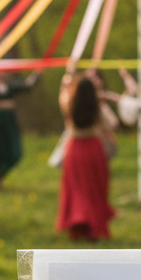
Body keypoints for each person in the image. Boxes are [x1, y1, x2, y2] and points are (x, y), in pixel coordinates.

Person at [55, 76, 115, 241]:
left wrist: (66, 80)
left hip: (74, 149)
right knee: (94, 189)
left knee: (76, 188)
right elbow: (112, 124)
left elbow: (62, 95)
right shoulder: (97, 106)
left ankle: (77, 225)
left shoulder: (69, 103)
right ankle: (94, 226)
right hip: (94, 148)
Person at [0, 69, 40, 179]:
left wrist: (37, 73)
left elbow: (27, 85)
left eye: (2, 71)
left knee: (14, 148)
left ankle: (1, 173)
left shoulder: (9, 86)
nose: (1, 73)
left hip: (9, 120)